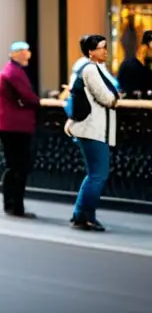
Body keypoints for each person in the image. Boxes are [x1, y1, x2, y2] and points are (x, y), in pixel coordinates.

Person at [65, 34, 120, 232]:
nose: (106, 51)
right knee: (98, 175)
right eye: (101, 47)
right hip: (92, 129)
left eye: (106, 47)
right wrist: (115, 96)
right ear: (91, 51)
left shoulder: (96, 68)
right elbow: (107, 98)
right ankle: (83, 216)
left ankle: (82, 214)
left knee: (95, 174)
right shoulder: (90, 70)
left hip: (94, 129)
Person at [0, 41, 41, 218]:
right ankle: (15, 206)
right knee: (18, 167)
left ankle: (11, 205)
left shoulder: (9, 71)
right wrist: (37, 101)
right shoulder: (14, 72)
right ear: (15, 54)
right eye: (24, 52)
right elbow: (29, 97)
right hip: (16, 126)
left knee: (13, 166)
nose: (28, 55)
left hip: (8, 125)